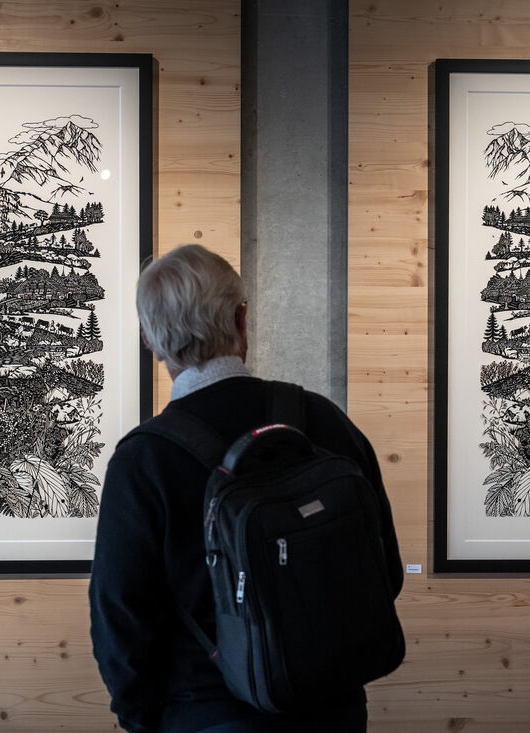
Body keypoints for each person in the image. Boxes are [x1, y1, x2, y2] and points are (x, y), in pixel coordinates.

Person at [89, 244, 403, 733]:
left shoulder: (144, 459)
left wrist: (142, 718)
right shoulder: (321, 419)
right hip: (334, 711)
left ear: (150, 339)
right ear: (241, 320)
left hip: (204, 713)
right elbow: (386, 572)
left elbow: (120, 621)